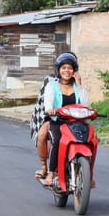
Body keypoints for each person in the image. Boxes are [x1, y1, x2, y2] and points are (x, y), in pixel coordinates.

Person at [33, 52, 91, 186]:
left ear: (74, 70)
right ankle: (50, 171)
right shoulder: (51, 86)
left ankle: (89, 175)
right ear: (58, 70)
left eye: (70, 68)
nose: (67, 71)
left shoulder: (78, 86)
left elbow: (86, 104)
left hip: (76, 122)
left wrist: (80, 84)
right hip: (57, 121)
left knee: (91, 139)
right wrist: (50, 110)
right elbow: (48, 102)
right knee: (57, 140)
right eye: (63, 68)